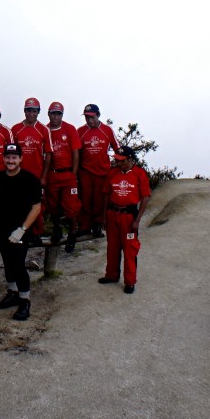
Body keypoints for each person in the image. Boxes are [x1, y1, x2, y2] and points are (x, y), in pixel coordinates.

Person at [0, 142, 42, 321]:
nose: (11, 161)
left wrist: (23, 229)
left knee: (18, 264)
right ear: (3, 158)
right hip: (1, 229)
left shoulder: (30, 179)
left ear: (21, 158)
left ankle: (24, 301)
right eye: (8, 157)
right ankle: (12, 292)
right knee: (8, 262)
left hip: (21, 230)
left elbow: (36, 207)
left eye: (14, 157)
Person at [99, 146, 152, 294]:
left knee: (130, 249)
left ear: (130, 159)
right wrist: (105, 217)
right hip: (113, 214)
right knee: (112, 247)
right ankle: (111, 275)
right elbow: (106, 194)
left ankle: (130, 281)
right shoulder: (112, 172)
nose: (119, 163)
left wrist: (137, 220)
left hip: (128, 216)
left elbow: (146, 197)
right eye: (117, 160)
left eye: (122, 161)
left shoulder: (139, 173)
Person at [10, 97, 51, 238]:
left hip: (36, 175)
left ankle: (37, 233)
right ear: (24, 111)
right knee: (19, 204)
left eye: (34, 111)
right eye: (28, 110)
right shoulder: (16, 129)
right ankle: (21, 232)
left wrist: (44, 176)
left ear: (38, 112)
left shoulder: (44, 130)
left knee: (37, 205)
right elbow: (11, 154)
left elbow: (48, 154)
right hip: (19, 175)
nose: (31, 114)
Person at [44, 101, 82, 251]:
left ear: (62, 115)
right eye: (53, 113)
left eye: (58, 114)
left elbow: (76, 153)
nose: (56, 117)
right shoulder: (45, 130)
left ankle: (72, 233)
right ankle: (57, 229)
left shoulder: (70, 129)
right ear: (49, 114)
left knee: (71, 206)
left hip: (68, 174)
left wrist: (73, 174)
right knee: (53, 206)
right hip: (53, 174)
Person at [77, 103, 118, 238]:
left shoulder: (107, 130)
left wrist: (119, 166)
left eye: (92, 117)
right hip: (85, 171)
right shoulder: (80, 131)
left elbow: (118, 148)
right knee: (85, 199)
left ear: (98, 115)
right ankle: (84, 226)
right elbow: (76, 152)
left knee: (99, 200)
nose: (90, 120)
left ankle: (97, 225)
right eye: (87, 118)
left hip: (102, 171)